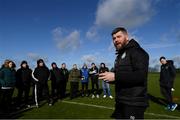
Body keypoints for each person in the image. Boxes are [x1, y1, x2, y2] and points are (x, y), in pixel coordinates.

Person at [99, 27, 149, 119]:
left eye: (119, 37)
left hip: (134, 103)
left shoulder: (137, 51)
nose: (116, 40)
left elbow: (141, 76)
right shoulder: (120, 55)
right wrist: (109, 78)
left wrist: (115, 76)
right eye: (114, 38)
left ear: (126, 37)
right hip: (121, 100)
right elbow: (123, 77)